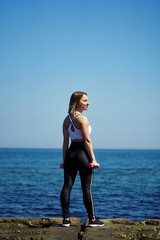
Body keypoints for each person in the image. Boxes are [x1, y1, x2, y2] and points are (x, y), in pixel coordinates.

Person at [60, 91, 104, 227]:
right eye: (85, 100)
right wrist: (94, 160)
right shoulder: (83, 119)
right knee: (86, 189)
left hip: (71, 153)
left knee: (67, 187)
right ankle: (92, 219)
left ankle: (66, 220)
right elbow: (87, 140)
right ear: (77, 102)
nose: (88, 103)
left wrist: (64, 160)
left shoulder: (66, 119)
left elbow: (65, 142)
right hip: (82, 154)